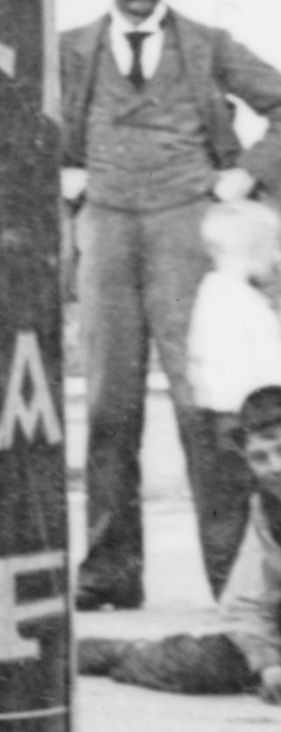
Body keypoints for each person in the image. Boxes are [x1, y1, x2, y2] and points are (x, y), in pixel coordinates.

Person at [57, 0, 281, 611]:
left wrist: (246, 171)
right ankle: (109, 571)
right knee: (107, 409)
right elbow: (18, 126)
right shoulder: (69, 53)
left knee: (203, 408)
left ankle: (232, 578)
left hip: (187, 232)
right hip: (105, 230)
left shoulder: (207, 45)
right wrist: (59, 172)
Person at [77, 199, 281, 696]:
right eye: (259, 457)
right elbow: (248, 605)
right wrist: (266, 663)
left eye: (280, 450)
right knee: (206, 661)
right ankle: (116, 653)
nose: (274, 468)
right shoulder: (270, 507)